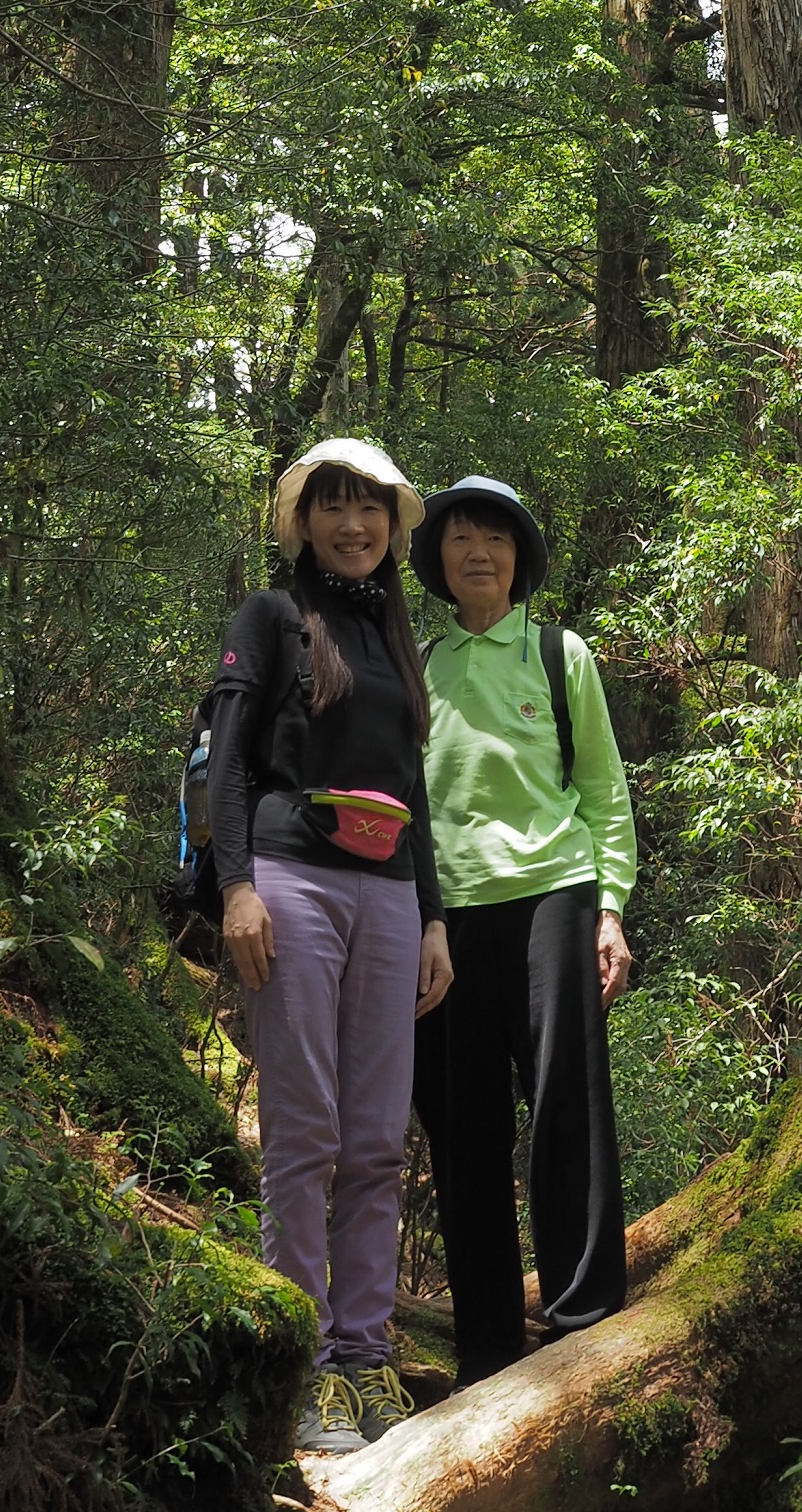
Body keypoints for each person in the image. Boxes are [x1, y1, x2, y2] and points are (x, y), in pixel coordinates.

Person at [208, 436, 455, 1454]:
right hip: (292, 881)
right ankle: (302, 1364)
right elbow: (229, 762)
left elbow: (412, 788)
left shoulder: (397, 634)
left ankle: (364, 1353)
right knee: (305, 1131)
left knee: (376, 1139)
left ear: (392, 526)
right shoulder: (270, 617)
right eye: (333, 506)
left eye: (370, 508)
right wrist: (236, 889)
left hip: (389, 893)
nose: (353, 525)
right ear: (303, 523)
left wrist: (433, 916)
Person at [409, 473, 637, 1387]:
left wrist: (611, 908)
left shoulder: (557, 653)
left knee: (565, 1104)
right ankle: (489, 1344)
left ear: (519, 560)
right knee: (462, 1127)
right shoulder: (418, 665)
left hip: (555, 893)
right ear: (439, 559)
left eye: (496, 539)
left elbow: (604, 790)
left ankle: (584, 1316)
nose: (479, 553)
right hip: (446, 918)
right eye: (461, 537)